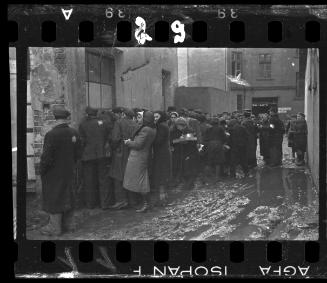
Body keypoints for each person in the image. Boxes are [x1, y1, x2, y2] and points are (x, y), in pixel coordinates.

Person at [39, 108, 81, 236]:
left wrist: (42, 171)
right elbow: (78, 154)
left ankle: (54, 228)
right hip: (69, 170)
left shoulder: (51, 135)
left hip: (54, 173)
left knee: (55, 196)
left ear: (55, 118)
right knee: (69, 195)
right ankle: (70, 224)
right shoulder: (74, 133)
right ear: (66, 118)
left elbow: (46, 157)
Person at [78, 106, 112, 209]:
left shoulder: (83, 124)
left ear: (87, 114)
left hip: (88, 156)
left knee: (89, 180)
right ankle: (104, 204)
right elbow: (109, 136)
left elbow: (82, 141)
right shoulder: (104, 123)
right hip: (102, 155)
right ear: (96, 114)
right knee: (103, 180)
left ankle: (90, 204)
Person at [123, 111, 157, 213]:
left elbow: (138, 145)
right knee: (142, 180)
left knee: (141, 182)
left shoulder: (146, 129)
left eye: (142, 117)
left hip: (138, 157)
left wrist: (128, 142)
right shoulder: (152, 128)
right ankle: (147, 204)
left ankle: (147, 204)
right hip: (142, 157)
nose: (140, 119)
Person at [109, 108, 138, 209]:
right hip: (132, 152)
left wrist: (113, 147)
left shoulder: (119, 122)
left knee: (118, 177)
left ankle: (121, 201)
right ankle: (132, 200)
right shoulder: (136, 124)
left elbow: (115, 138)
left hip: (120, 153)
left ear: (123, 114)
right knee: (130, 176)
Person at [170, 117, 200, 190]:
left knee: (189, 169)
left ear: (182, 125)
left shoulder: (189, 131)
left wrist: (176, 141)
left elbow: (186, 140)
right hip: (188, 152)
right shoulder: (185, 130)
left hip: (190, 152)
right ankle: (189, 185)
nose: (177, 127)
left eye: (178, 126)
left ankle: (189, 185)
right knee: (187, 169)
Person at [151, 110, 172, 207]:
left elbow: (158, 141)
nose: (155, 118)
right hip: (163, 153)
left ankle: (162, 198)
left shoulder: (161, 126)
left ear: (161, 117)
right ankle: (163, 197)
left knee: (161, 174)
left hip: (161, 154)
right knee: (162, 174)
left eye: (157, 117)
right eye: (154, 117)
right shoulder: (163, 125)